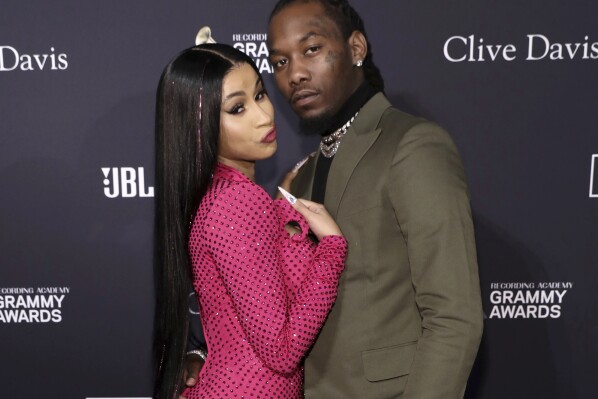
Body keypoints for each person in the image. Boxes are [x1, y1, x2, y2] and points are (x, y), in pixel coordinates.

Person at [183, 0, 484, 397]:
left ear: (355, 49)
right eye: (280, 62)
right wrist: (202, 353)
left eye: (311, 50)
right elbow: (263, 309)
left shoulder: (411, 146)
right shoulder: (299, 178)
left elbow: (454, 317)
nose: (296, 75)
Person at [153, 43, 348, 399]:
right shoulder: (237, 201)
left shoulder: (223, 195)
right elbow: (282, 350)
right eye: (237, 108)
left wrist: (281, 214)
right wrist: (332, 251)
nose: (263, 115)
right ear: (199, 125)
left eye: (260, 94)